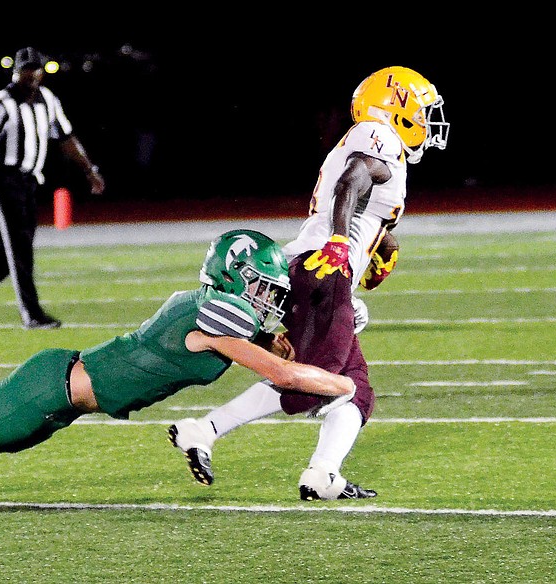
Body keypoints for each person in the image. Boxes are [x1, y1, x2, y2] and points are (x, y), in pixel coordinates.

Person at [0, 230, 358, 478]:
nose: (267, 298)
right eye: (261, 285)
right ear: (236, 279)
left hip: (61, 396)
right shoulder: (215, 319)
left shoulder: (217, 313)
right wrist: (345, 385)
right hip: (49, 389)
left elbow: (272, 348)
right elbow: (282, 372)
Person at [168, 66, 449, 500]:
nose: (428, 122)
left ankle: (323, 473)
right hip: (323, 268)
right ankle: (202, 429)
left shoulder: (379, 143)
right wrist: (340, 244)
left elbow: (365, 209)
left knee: (357, 391)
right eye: (423, 110)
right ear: (397, 108)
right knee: (313, 386)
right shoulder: (380, 135)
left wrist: (382, 246)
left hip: (322, 269)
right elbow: (353, 180)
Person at [0, 46, 106, 331]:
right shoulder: (1, 103)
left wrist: (89, 169)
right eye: (27, 69)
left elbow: (66, 137)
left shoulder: (48, 100)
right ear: (16, 71)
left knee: (13, 249)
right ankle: (31, 314)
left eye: (37, 69)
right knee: (19, 249)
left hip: (29, 181)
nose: (32, 74)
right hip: (2, 180)